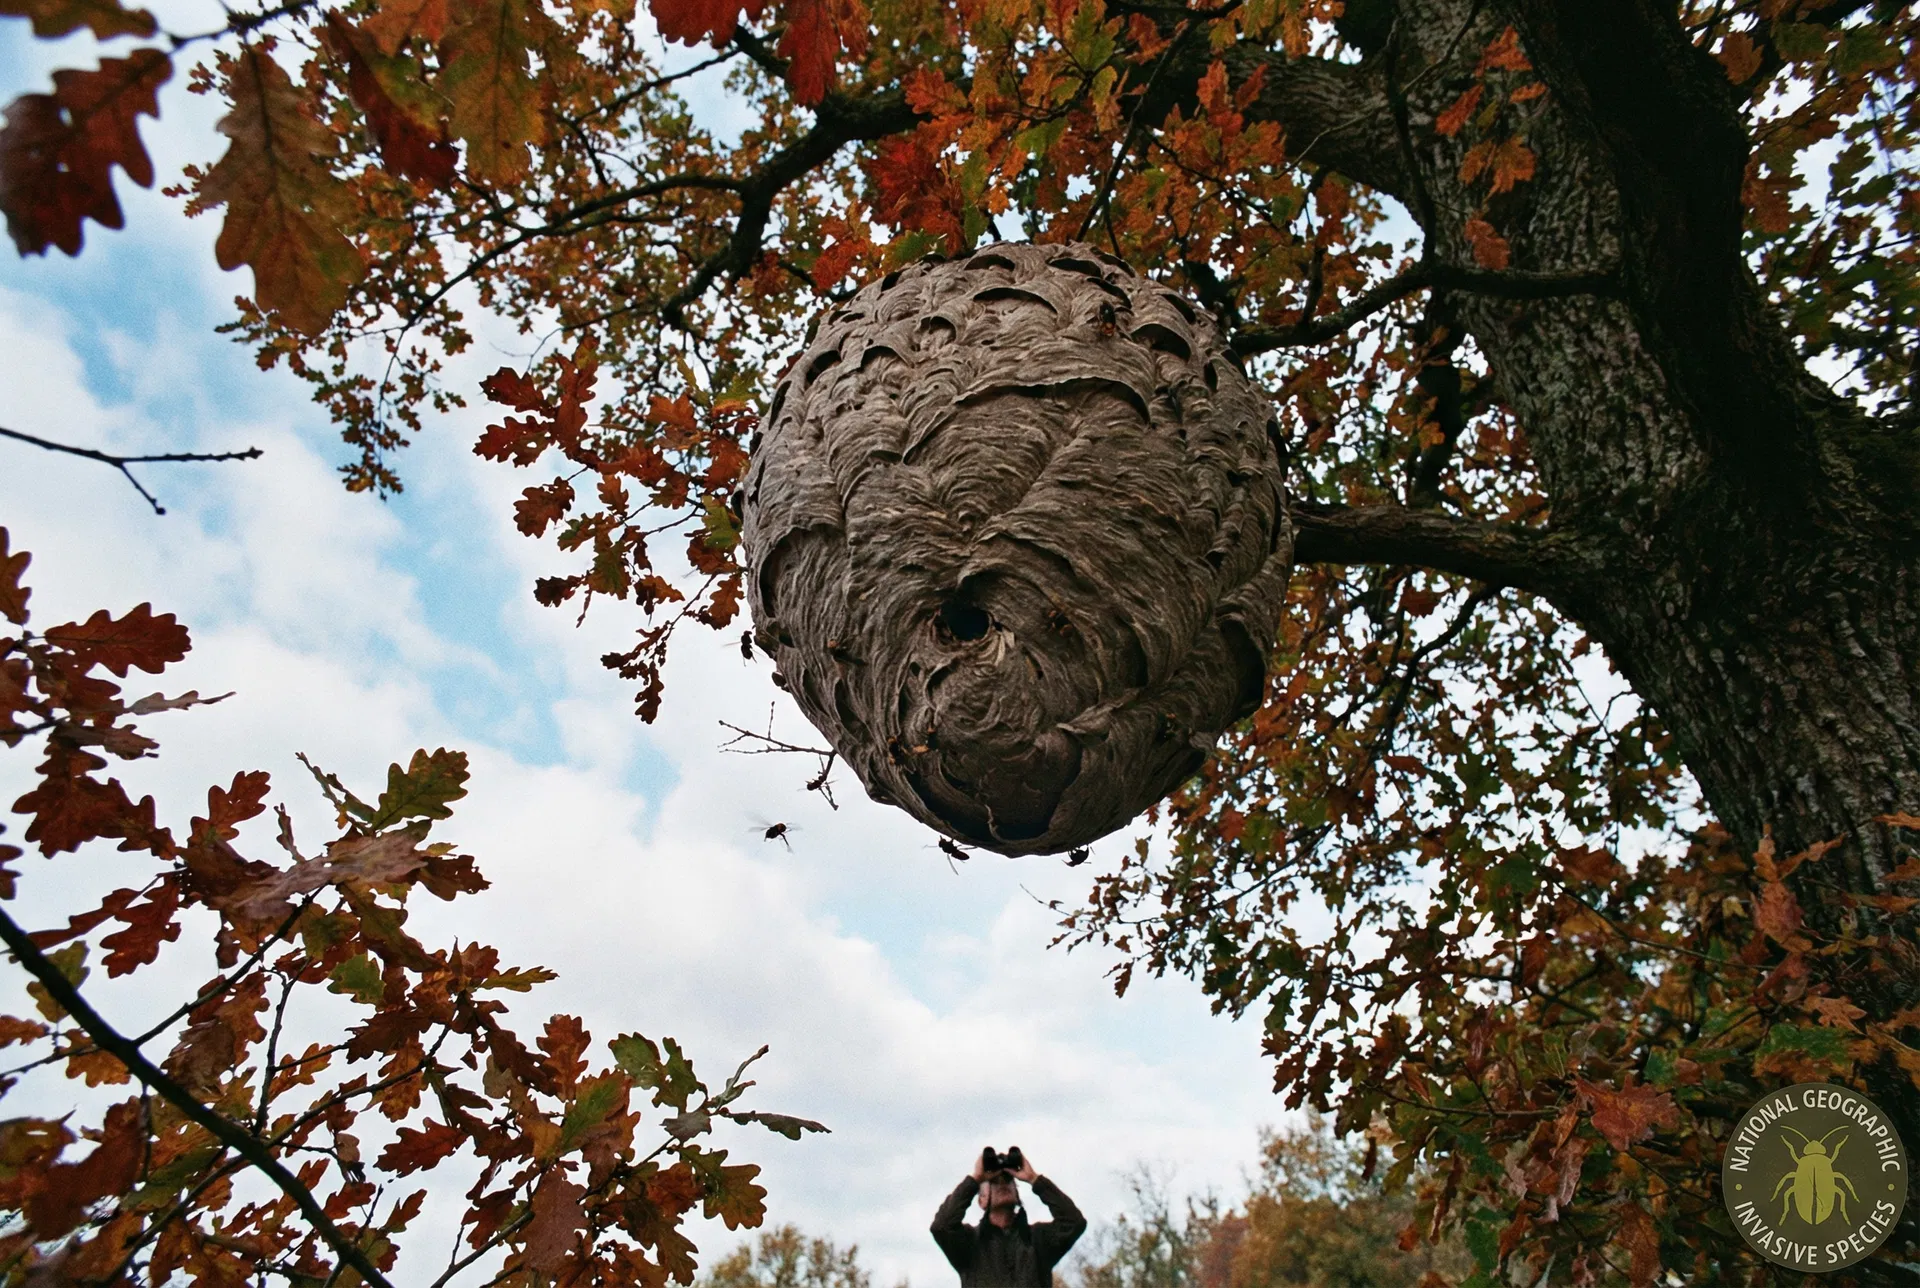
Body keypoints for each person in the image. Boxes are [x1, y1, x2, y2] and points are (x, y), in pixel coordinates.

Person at [930, 1149, 1086, 1287]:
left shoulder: (1038, 1240)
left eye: (1008, 1180)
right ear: (981, 1200)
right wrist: (975, 1179)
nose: (1003, 1184)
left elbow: (1074, 1222)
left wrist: (1034, 1179)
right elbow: (941, 1227)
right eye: (994, 1181)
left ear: (1017, 1193)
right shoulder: (970, 1243)